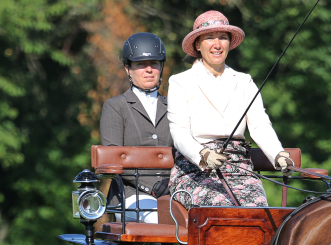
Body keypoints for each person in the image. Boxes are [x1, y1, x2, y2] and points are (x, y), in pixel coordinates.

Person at [166, 10, 293, 211]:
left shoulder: (244, 81)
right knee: (220, 210)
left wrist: (278, 154)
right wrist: (203, 154)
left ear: (229, 43)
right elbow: (179, 132)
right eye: (210, 38)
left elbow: (260, 125)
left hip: (239, 169)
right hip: (194, 170)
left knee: (259, 212)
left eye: (223, 38)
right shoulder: (180, 82)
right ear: (198, 45)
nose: (217, 44)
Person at [100, 32, 174, 223]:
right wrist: (153, 186)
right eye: (141, 64)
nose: (149, 70)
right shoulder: (116, 106)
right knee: (158, 218)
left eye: (154, 63)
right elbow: (113, 157)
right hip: (131, 195)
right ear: (128, 69)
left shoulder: (175, 106)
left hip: (173, 191)